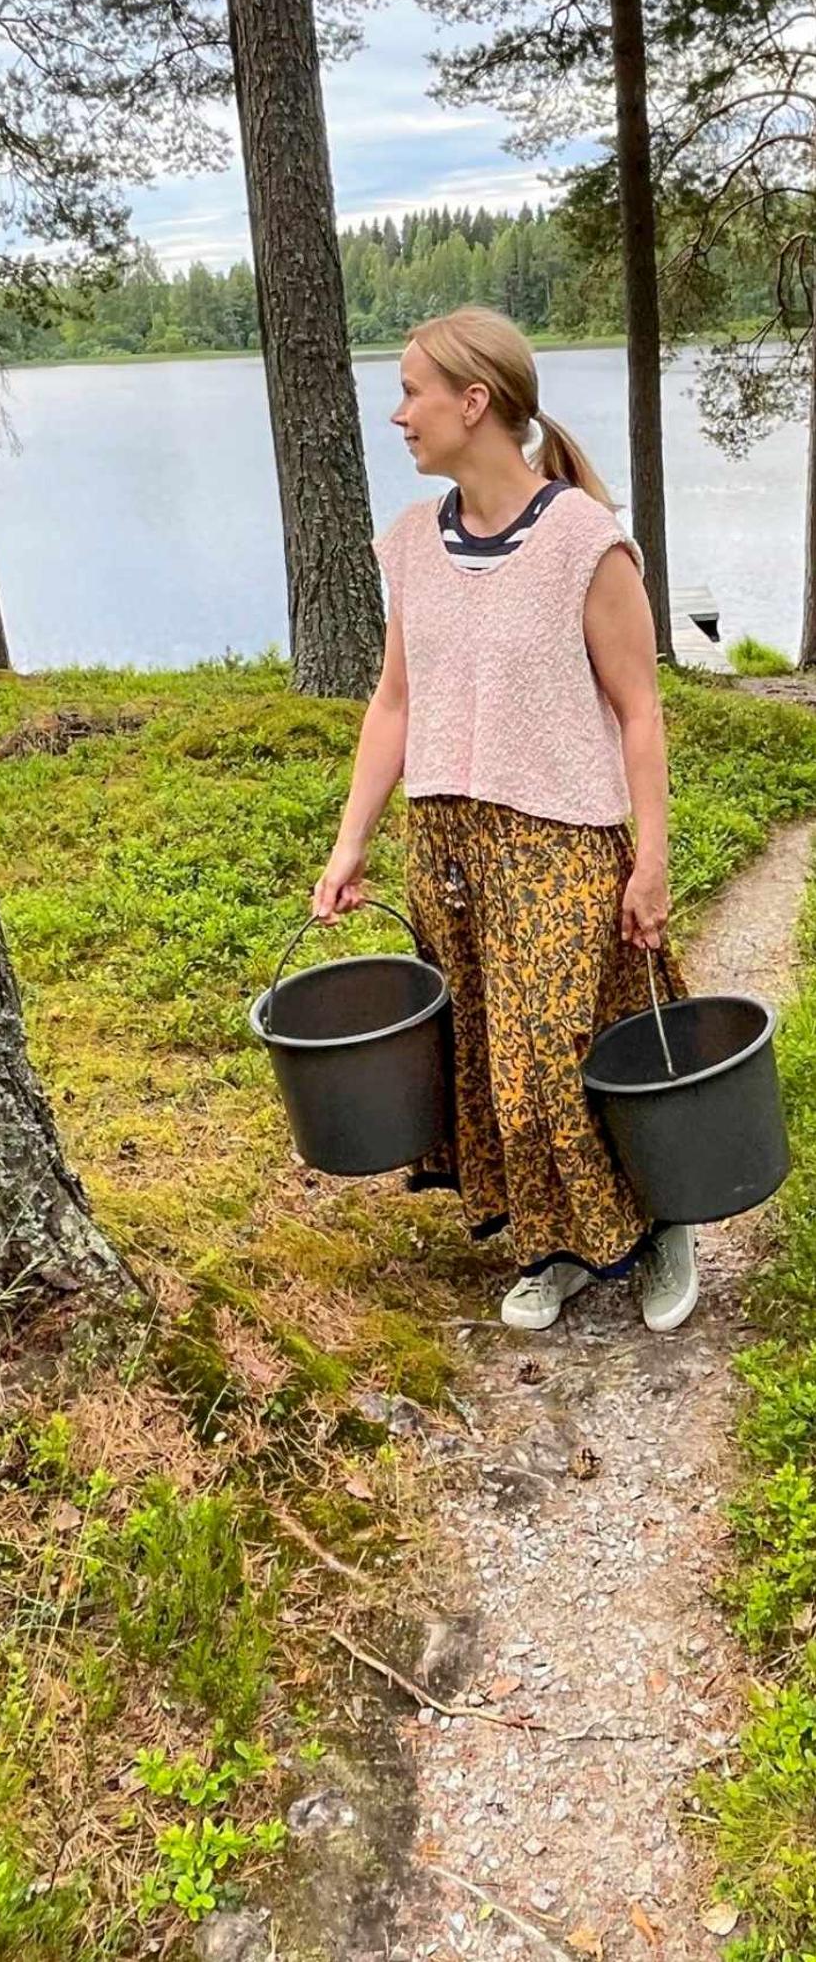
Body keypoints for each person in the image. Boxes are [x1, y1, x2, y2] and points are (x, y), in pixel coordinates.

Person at [311, 306, 697, 1335]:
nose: (398, 415)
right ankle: (558, 1244)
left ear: (473, 402)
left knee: (546, 1062)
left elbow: (638, 709)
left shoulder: (582, 539)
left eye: (411, 392)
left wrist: (649, 859)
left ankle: (660, 1221)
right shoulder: (409, 545)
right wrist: (351, 842)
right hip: (445, 844)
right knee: (485, 1059)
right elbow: (394, 702)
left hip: (560, 838)